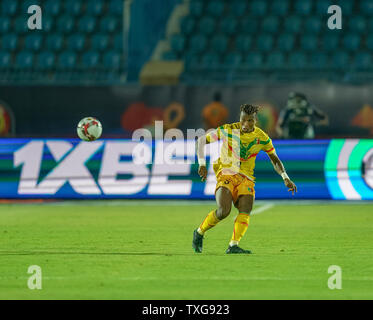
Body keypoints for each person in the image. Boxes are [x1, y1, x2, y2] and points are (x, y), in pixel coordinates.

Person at [193, 104, 297, 254]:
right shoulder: (228, 130)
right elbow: (201, 141)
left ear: (255, 121)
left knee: (245, 209)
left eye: (250, 121)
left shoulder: (261, 137)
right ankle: (199, 232)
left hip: (246, 177)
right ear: (239, 118)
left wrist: (285, 177)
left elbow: (274, 159)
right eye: (243, 120)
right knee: (224, 211)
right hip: (226, 173)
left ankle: (233, 245)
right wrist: (202, 164)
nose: (245, 124)